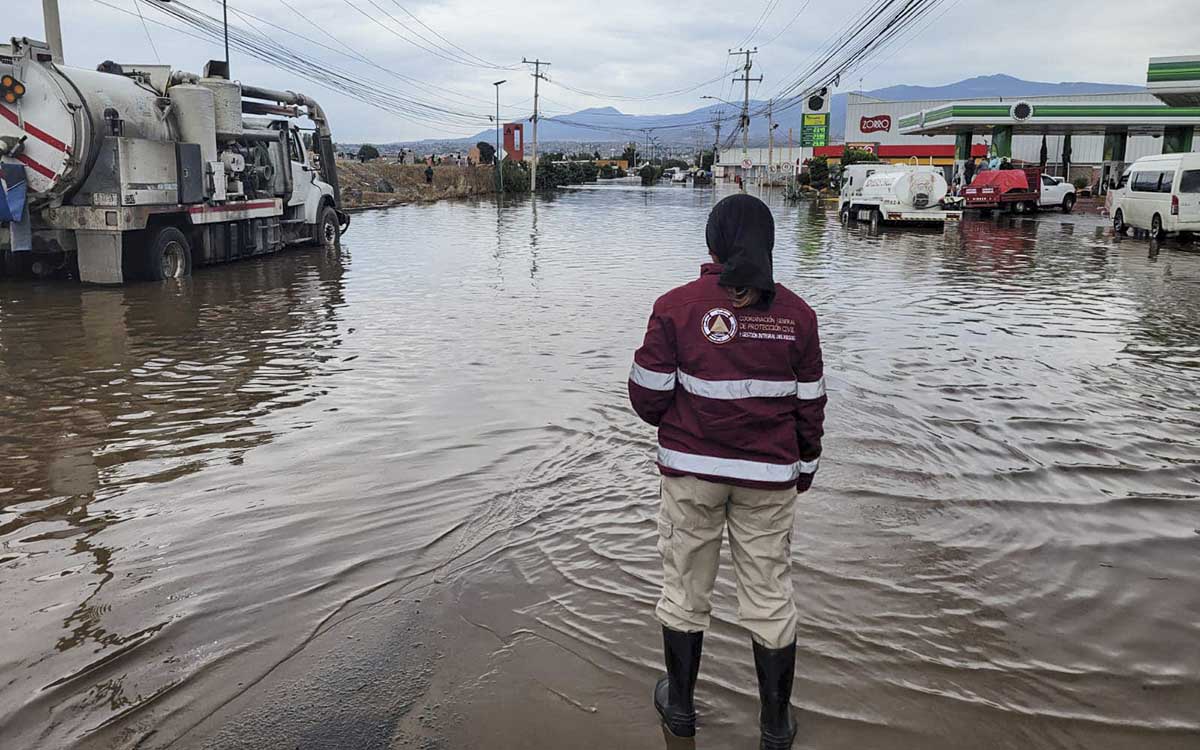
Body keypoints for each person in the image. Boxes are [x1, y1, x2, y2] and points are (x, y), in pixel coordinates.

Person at [628, 194, 826, 749]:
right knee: (769, 595)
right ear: (767, 242)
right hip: (769, 480)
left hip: (692, 476)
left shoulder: (676, 307)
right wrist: (803, 468)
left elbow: (647, 399)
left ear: (711, 243)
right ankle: (775, 726)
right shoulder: (798, 316)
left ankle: (683, 710)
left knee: (686, 588)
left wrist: (688, 420)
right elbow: (811, 405)